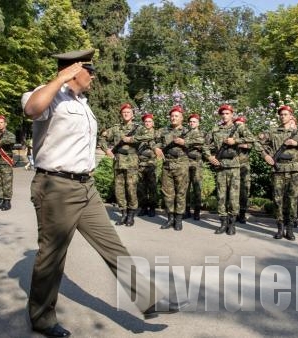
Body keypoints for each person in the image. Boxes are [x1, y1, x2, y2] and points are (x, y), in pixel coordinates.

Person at [21, 49, 186, 338]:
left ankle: (148, 298)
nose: (94, 77)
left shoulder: (82, 104)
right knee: (52, 256)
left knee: (112, 245)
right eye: (90, 70)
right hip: (56, 187)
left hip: (86, 186)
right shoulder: (49, 95)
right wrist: (59, 79)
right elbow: (32, 110)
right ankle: (41, 318)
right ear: (73, 70)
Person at [258, 106, 298, 240]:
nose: (283, 116)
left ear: (291, 116)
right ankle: (280, 228)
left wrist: (297, 142)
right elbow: (256, 142)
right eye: (281, 114)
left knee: (292, 200)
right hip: (278, 169)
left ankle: (290, 228)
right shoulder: (273, 132)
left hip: (295, 171)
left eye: (286, 114)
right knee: (278, 200)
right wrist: (265, 155)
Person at [205, 104, 254, 235]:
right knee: (221, 196)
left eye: (227, 113)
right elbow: (205, 145)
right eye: (223, 113)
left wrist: (236, 141)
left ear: (232, 114)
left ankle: (232, 224)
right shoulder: (215, 129)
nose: (225, 116)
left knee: (233, 197)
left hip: (234, 167)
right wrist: (209, 157)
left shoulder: (239, 127)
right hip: (220, 167)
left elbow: (252, 139)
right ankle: (223, 223)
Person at [99, 103, 146, 226]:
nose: (126, 114)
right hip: (118, 162)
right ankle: (123, 213)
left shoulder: (138, 128)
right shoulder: (115, 129)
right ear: (121, 115)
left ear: (132, 115)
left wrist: (131, 139)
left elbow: (148, 136)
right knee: (119, 190)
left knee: (131, 189)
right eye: (124, 112)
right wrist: (106, 150)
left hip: (132, 162)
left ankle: (131, 214)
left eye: (128, 112)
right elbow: (102, 138)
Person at [153, 105, 190, 231]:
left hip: (181, 165)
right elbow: (155, 141)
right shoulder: (164, 130)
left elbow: (199, 143)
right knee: (167, 193)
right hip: (167, 165)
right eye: (172, 116)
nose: (173, 118)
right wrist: (156, 148)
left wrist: (185, 142)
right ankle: (170, 218)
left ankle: (178, 219)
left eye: (176, 116)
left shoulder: (188, 131)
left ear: (181, 118)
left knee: (180, 192)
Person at [0, 115, 16, 211]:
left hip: (5, 162)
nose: (0, 124)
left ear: (5, 124)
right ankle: (1, 201)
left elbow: (12, 140)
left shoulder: (9, 134)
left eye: (1, 122)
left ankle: (7, 202)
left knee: (7, 183)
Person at [233, 116, 256, 224]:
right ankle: (234, 213)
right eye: (236, 124)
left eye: (240, 124)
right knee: (233, 190)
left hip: (244, 166)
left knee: (244, 190)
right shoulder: (232, 134)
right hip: (233, 165)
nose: (238, 126)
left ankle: (242, 214)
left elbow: (249, 145)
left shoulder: (247, 134)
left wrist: (237, 143)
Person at [184, 113, 205, 221]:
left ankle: (197, 211)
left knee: (197, 187)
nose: (192, 123)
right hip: (186, 163)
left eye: (194, 121)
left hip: (197, 163)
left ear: (198, 123)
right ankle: (186, 210)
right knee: (185, 188)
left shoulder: (202, 134)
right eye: (191, 122)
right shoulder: (185, 133)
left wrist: (189, 144)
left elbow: (203, 144)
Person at [136, 113, 158, 217]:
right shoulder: (139, 133)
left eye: (149, 121)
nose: (147, 123)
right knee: (141, 187)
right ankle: (143, 207)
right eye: (146, 122)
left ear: (153, 123)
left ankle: (152, 208)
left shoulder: (156, 133)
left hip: (151, 164)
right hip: (140, 164)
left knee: (152, 187)